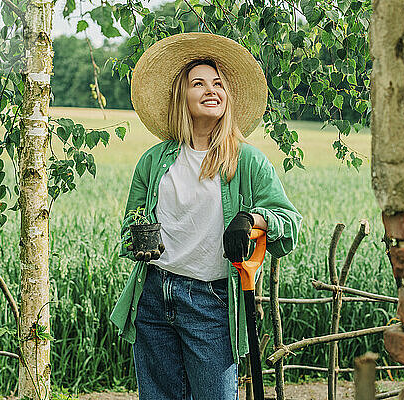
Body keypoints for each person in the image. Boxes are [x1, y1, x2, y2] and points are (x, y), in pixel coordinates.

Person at [110, 32, 302, 400]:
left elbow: (289, 223)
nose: (210, 90)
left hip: (211, 303)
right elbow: (130, 223)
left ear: (227, 96)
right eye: (198, 83)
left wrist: (252, 220)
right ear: (182, 96)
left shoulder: (246, 160)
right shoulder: (154, 161)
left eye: (218, 84)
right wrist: (137, 239)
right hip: (153, 294)